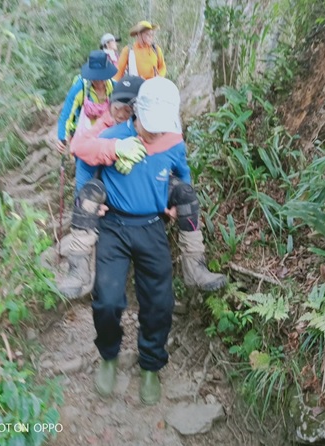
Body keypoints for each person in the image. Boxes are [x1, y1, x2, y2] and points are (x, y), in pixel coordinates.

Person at [59, 76, 227, 297]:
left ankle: (195, 266)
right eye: (117, 108)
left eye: (126, 109)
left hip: (151, 192)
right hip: (112, 194)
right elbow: (81, 152)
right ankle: (78, 269)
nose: (121, 115)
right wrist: (114, 149)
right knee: (89, 194)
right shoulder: (108, 128)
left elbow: (182, 172)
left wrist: (178, 202)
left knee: (186, 192)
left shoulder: (170, 137)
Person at [77, 78, 189, 405]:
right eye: (149, 127)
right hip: (113, 225)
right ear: (136, 112)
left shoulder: (173, 141)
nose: (154, 134)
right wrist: (87, 200)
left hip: (152, 226)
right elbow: (84, 162)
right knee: (108, 301)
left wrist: (175, 197)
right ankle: (109, 356)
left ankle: (151, 365)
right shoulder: (113, 136)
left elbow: (182, 173)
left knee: (159, 303)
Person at [55, 50, 117, 154]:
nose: (98, 81)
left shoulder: (114, 87)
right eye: (95, 78)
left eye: (101, 77)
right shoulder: (80, 87)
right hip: (84, 137)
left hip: (108, 136)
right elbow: (66, 115)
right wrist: (62, 138)